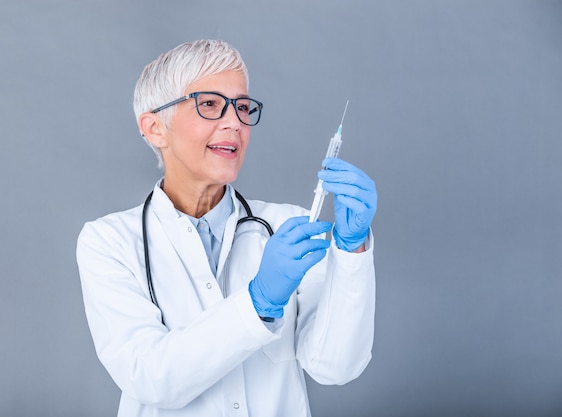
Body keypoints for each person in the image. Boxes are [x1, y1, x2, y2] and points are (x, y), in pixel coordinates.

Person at [76, 39, 377, 417]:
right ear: (155, 128)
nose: (235, 122)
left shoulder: (290, 227)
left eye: (243, 106)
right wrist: (258, 302)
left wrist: (351, 253)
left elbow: (335, 367)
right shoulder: (110, 242)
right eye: (210, 104)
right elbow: (149, 377)